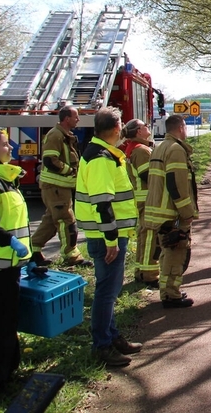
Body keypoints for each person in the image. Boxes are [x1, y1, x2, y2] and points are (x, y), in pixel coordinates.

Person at [75, 107, 142, 368]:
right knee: (106, 291)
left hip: (107, 234)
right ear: (116, 128)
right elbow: (103, 203)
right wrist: (112, 239)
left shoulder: (103, 153)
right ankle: (102, 344)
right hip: (106, 237)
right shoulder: (102, 158)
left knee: (111, 289)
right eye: (122, 123)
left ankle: (112, 337)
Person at [0, 129, 31, 398]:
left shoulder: (3, 178)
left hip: (7, 266)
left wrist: (30, 257)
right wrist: (8, 242)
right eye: (4, 144)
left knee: (5, 323)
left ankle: (7, 374)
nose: (10, 147)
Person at [143, 114, 197, 309]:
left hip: (159, 210)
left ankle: (167, 291)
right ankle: (171, 295)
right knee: (176, 253)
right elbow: (177, 184)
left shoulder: (160, 147)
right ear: (181, 127)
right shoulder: (176, 150)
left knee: (166, 253)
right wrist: (186, 211)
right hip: (171, 212)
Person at [30, 105, 91, 267]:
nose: (78, 119)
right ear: (66, 119)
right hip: (55, 186)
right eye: (75, 116)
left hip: (59, 187)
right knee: (66, 220)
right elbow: (50, 161)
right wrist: (70, 171)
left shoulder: (63, 135)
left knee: (51, 220)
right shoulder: (55, 135)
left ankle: (34, 250)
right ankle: (71, 256)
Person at [121, 119, 158, 286]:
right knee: (150, 235)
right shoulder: (141, 150)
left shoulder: (135, 148)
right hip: (148, 198)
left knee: (144, 235)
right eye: (145, 126)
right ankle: (148, 275)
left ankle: (141, 271)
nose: (147, 127)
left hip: (141, 198)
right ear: (138, 131)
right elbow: (149, 176)